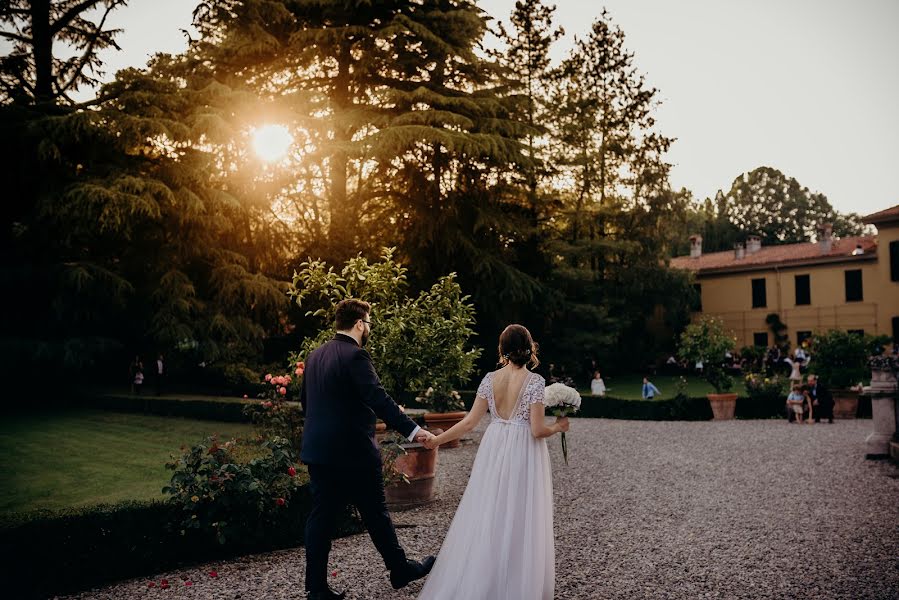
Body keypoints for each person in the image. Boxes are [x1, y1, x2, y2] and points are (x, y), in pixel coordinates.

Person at [417, 325, 567, 599]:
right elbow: (536, 430)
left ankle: (482, 576)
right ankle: (516, 582)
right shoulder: (534, 382)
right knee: (520, 512)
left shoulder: (489, 379)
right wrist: (558, 427)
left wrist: (437, 441)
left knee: (489, 509)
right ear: (530, 347)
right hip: (524, 449)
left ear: (502, 349)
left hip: (495, 445)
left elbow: (470, 422)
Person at [300, 299, 436, 600]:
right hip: (353, 452)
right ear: (360, 323)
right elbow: (379, 400)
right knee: (375, 512)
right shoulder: (355, 356)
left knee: (320, 516)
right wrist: (415, 430)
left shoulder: (315, 356)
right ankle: (400, 569)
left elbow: (307, 404)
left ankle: (316, 589)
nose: (369, 328)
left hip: (318, 451)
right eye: (369, 323)